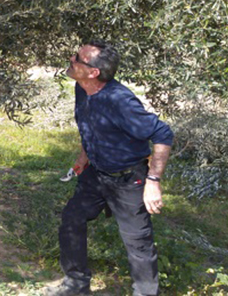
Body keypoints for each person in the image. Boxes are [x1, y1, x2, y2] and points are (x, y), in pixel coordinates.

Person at [43, 41, 173, 296]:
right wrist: (84, 155)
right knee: (72, 218)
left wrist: (153, 181)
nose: (71, 58)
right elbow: (88, 124)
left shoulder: (120, 101)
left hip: (128, 178)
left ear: (93, 72)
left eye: (78, 59)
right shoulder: (82, 88)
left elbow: (163, 134)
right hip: (97, 174)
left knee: (137, 242)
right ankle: (76, 285)